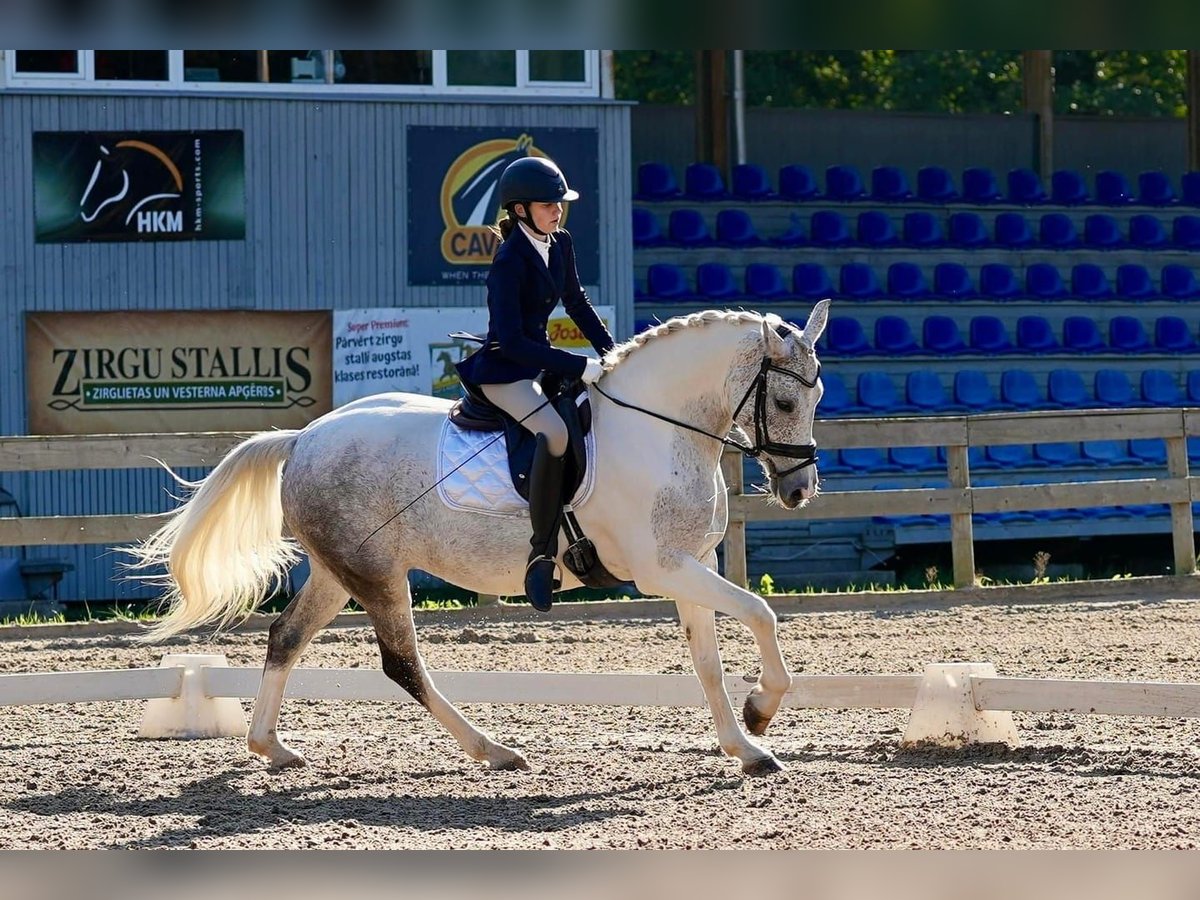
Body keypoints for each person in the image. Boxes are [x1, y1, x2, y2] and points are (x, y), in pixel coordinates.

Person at [455, 155, 615, 612]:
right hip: (506, 369)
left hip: (537, 362)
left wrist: (610, 353)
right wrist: (575, 365)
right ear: (521, 210)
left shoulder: (559, 242)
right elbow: (513, 342)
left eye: (559, 204)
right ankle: (541, 552)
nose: (557, 211)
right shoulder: (508, 262)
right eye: (548, 205)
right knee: (556, 433)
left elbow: (577, 303)